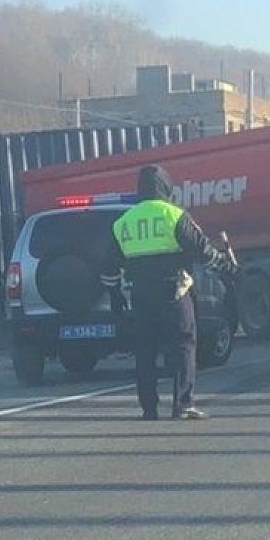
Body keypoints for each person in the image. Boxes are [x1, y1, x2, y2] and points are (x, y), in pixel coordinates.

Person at [101, 165, 237, 421]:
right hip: (174, 292)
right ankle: (183, 404)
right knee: (183, 345)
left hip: (140, 297)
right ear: (166, 187)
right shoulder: (174, 215)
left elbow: (108, 268)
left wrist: (116, 296)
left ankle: (148, 408)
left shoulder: (123, 223)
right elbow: (203, 251)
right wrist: (225, 267)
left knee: (145, 351)